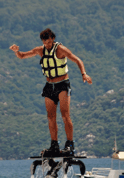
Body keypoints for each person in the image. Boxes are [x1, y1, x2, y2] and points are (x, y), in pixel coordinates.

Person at [9, 28, 93, 156]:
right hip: (49, 86)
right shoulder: (40, 50)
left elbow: (77, 60)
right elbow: (22, 56)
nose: (47, 45)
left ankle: (69, 145)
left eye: (49, 42)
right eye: (45, 42)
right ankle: (54, 145)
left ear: (53, 39)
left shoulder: (61, 49)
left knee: (65, 115)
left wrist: (84, 74)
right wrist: (16, 51)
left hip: (62, 85)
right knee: (51, 117)